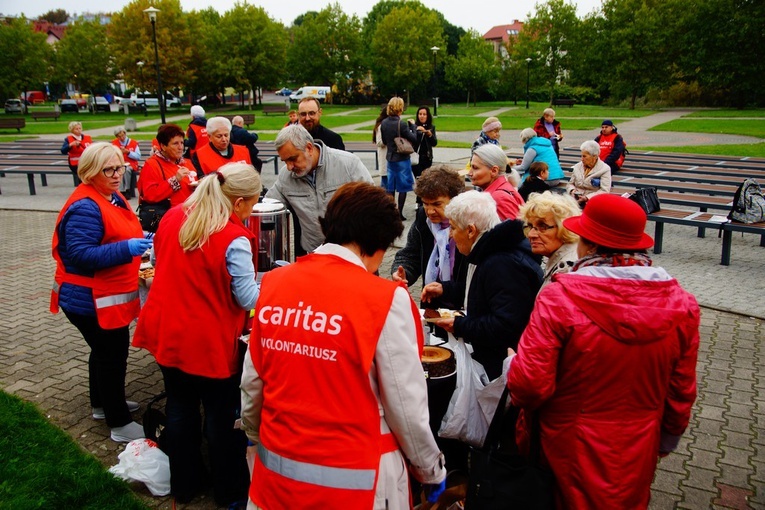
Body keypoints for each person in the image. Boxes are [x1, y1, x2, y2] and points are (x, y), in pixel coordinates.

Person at [240, 182, 447, 509]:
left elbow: (253, 381)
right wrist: (430, 470)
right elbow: (406, 406)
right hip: (357, 482)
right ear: (378, 245)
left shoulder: (276, 283)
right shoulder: (384, 299)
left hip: (276, 477)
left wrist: (253, 434)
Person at [507, 194, 700, 509]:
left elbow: (529, 384)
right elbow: (681, 390)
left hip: (566, 441)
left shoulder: (560, 297)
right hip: (639, 442)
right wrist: (666, 438)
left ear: (588, 244)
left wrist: (513, 364)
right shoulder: (682, 304)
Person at [134, 163, 262, 506]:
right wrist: (277, 288)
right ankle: (229, 493)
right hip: (207, 341)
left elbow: (163, 264)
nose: (252, 211)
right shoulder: (233, 236)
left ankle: (186, 484)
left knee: (180, 408)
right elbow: (247, 298)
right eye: (252, 203)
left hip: (167, 331)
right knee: (222, 421)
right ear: (238, 203)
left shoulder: (174, 216)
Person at [50, 143, 150, 443]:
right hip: (88, 299)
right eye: (109, 169)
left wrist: (139, 237)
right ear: (91, 171)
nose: (118, 174)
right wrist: (127, 248)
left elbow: (116, 229)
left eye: (120, 167)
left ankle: (102, 405)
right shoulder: (85, 206)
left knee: (103, 352)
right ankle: (118, 422)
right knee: (112, 355)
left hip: (99, 296)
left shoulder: (110, 195)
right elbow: (81, 254)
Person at [422, 190, 542, 380]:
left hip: (501, 367)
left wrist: (460, 325)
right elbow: (485, 293)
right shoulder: (488, 251)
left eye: (453, 228)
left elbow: (505, 325)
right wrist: (447, 289)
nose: (451, 235)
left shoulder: (501, 263)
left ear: (471, 230)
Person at [266, 124, 373, 256]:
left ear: (309, 148)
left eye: (293, 159)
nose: (289, 167)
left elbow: (374, 206)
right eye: (284, 161)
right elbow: (268, 206)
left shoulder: (348, 164)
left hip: (355, 255)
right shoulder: (286, 176)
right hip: (315, 256)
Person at [391, 165, 466, 307]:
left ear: (455, 199)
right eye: (425, 204)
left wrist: (448, 289)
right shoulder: (423, 219)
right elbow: (411, 254)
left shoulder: (469, 223)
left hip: (464, 306)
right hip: (432, 304)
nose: (430, 211)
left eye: (437, 204)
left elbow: (479, 279)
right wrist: (403, 272)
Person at [137, 124, 197, 227]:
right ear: (163, 146)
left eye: (182, 143)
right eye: (175, 144)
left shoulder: (187, 163)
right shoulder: (152, 165)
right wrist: (175, 180)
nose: (180, 147)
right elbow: (150, 195)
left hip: (191, 217)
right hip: (169, 220)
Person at [518, 191, 580, 288]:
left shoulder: (567, 271)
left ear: (564, 228)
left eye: (543, 226)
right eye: (530, 226)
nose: (531, 234)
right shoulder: (562, 261)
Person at [380, 96, 418, 219]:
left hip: (390, 157)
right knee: (403, 187)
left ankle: (391, 212)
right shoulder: (401, 124)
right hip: (402, 158)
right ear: (400, 108)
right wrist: (413, 127)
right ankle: (399, 212)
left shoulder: (384, 123)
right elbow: (414, 139)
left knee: (391, 186)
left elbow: (385, 141)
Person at [470, 143, 525, 221]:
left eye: (475, 168)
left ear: (494, 171)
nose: (470, 173)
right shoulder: (502, 189)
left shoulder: (498, 198)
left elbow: (514, 231)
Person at [566, 140, 612, 208]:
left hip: (593, 202)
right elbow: (570, 184)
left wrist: (587, 197)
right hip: (575, 200)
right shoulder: (577, 166)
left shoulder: (605, 169)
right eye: (581, 156)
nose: (582, 159)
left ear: (595, 156)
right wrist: (572, 190)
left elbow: (605, 191)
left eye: (584, 156)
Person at [111, 126, 141, 199]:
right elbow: (111, 155)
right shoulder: (114, 143)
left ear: (125, 133)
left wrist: (128, 152)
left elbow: (138, 156)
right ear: (117, 137)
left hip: (131, 164)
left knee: (126, 169)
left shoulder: (133, 142)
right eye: (119, 136)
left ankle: (127, 190)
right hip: (119, 163)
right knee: (118, 169)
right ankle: (121, 191)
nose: (122, 138)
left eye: (123, 135)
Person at [412, 105, 438, 180]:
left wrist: (429, 134)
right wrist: (416, 131)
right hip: (416, 157)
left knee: (426, 180)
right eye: (420, 114)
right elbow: (412, 141)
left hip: (427, 157)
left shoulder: (431, 127)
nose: (422, 116)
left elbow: (434, 143)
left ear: (428, 116)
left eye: (424, 114)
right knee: (418, 179)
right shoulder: (414, 126)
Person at [372, 104, 389, 188]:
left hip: (390, 157)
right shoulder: (381, 125)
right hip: (385, 157)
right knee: (385, 183)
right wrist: (389, 140)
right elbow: (379, 142)